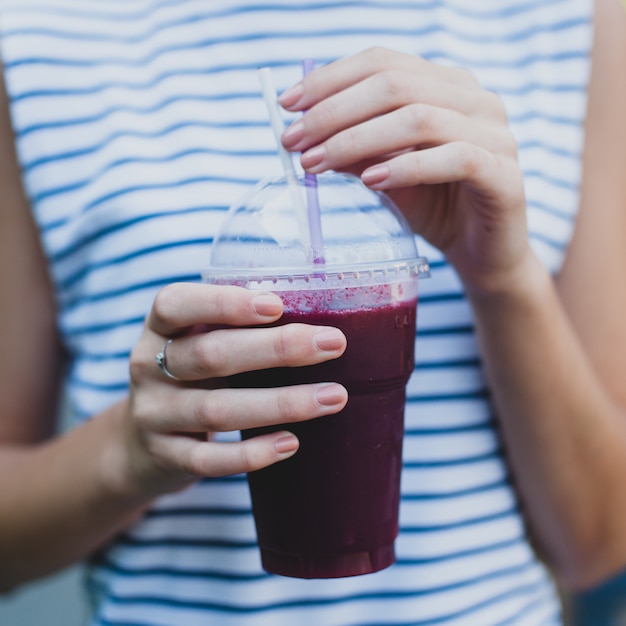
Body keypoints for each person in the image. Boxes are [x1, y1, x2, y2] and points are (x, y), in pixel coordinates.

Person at [0, 0, 625, 624]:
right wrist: (126, 452)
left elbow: (603, 544)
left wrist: (504, 276)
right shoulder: (39, 37)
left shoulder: (570, 18)